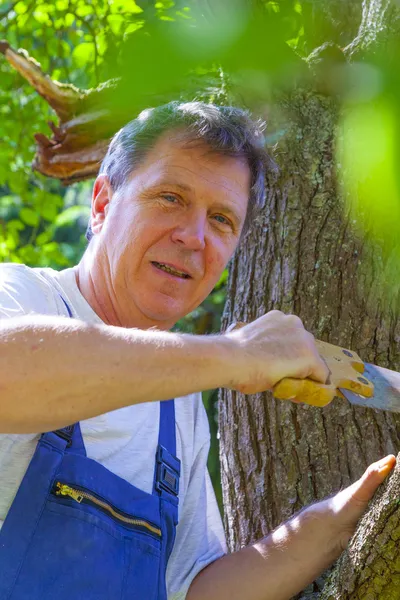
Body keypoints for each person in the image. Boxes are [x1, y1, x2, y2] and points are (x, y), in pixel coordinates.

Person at [0, 101, 395, 600]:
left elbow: (195, 592)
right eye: (169, 197)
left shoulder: (178, 410)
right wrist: (236, 355)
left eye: (222, 219)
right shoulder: (21, 297)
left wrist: (345, 520)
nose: (194, 236)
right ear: (101, 204)